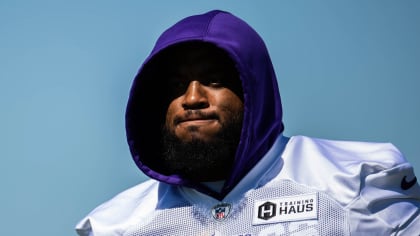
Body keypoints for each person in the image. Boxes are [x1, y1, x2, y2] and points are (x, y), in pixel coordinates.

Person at [75, 10, 420, 235]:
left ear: (255, 88)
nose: (192, 98)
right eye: (175, 86)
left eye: (213, 80)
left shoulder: (353, 181)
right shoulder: (116, 226)